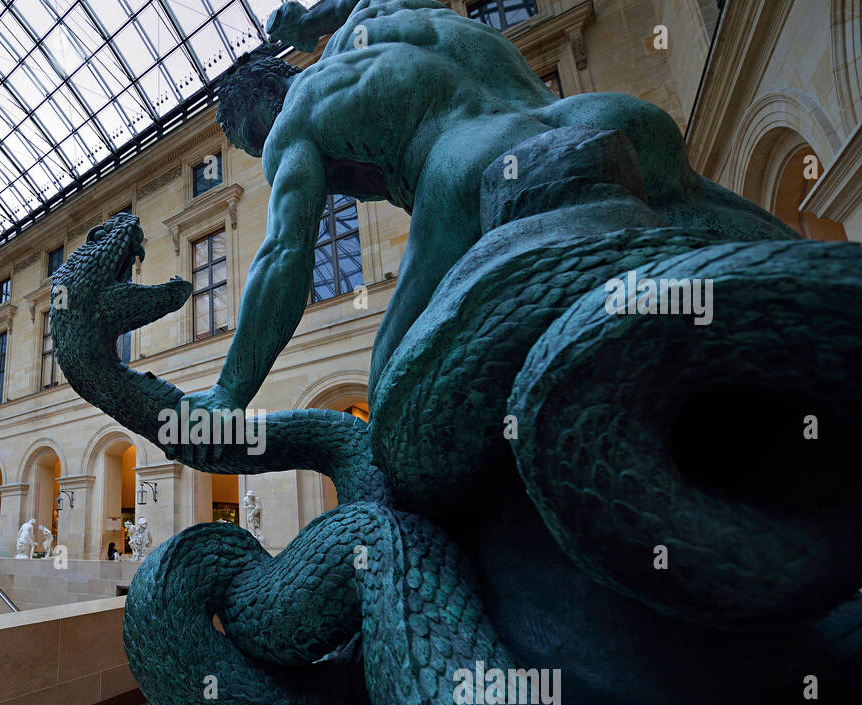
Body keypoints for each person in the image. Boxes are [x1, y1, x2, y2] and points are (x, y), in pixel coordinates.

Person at [177, 0, 793, 435]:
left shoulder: (296, 118)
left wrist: (230, 393)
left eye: (252, 144)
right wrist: (311, 21)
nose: (263, 154)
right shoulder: (397, 17)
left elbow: (285, 253)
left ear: (258, 116)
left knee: (390, 391)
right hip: (597, 119)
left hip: (474, 170)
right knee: (763, 251)